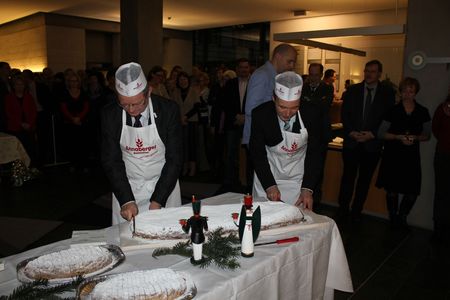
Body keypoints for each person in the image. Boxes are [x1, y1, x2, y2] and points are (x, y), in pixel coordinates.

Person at [101, 62, 182, 224]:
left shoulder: (168, 110)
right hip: (128, 187)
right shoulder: (110, 114)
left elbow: (175, 159)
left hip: (164, 185)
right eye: (124, 104)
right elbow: (111, 161)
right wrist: (126, 200)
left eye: (137, 103)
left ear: (149, 92)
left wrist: (158, 201)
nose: (130, 110)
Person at [250, 71, 322, 210]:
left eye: (294, 107)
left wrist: (308, 188)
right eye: (282, 107)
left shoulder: (312, 114)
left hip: (296, 180)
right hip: (267, 176)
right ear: (273, 99)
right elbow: (257, 153)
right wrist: (269, 185)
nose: (288, 114)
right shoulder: (261, 114)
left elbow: (316, 154)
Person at [337, 60, 395, 221]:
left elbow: (388, 119)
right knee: (347, 178)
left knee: (364, 180)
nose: (369, 74)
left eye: (373, 71)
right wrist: (351, 132)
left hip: (372, 145)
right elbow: (345, 114)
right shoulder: (352, 90)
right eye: (367, 71)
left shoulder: (387, 93)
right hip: (352, 143)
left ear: (379, 74)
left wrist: (374, 134)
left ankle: (356, 211)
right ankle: (342, 210)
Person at [376, 77, 431, 227]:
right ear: (400, 92)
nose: (407, 94)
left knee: (412, 191)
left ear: (415, 92)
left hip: (411, 156)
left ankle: (403, 216)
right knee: (392, 190)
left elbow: (427, 135)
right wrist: (397, 137)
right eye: (405, 91)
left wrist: (416, 137)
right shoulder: (392, 110)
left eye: (411, 91)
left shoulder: (422, 111)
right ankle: (393, 217)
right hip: (393, 155)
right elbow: (381, 133)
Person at [243, 43, 297, 192]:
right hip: (259, 138)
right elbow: (251, 109)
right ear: (278, 57)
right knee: (260, 179)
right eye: (289, 61)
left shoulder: (274, 76)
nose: (292, 66)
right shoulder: (262, 75)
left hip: (268, 138)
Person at [300, 63, 334, 207]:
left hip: (320, 137)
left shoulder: (328, 88)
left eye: (315, 74)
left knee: (318, 169)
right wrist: (314, 102)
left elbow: (323, 107)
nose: (312, 77)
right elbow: (301, 107)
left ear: (320, 75)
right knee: (302, 168)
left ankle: (316, 200)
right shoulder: (303, 88)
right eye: (310, 74)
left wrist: (309, 102)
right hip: (303, 135)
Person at [223, 58, 250, 190]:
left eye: (246, 67)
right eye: (241, 67)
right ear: (237, 69)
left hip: (249, 123)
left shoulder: (254, 83)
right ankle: (230, 183)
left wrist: (246, 116)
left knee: (249, 154)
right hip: (233, 123)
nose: (244, 69)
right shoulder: (230, 84)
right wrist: (236, 116)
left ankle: (247, 182)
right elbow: (225, 103)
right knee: (231, 154)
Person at [172, 71, 201, 177]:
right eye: (180, 79)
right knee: (182, 146)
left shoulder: (194, 91)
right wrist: (180, 118)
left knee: (192, 145)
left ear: (188, 80)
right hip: (179, 123)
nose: (183, 81)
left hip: (192, 121)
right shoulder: (175, 92)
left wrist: (186, 116)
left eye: (184, 79)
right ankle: (184, 168)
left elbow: (197, 107)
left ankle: (192, 169)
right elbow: (173, 107)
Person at [431, 89, 450, 242]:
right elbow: (436, 130)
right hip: (443, 156)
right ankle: (439, 229)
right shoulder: (442, 108)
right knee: (441, 193)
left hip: (444, 153)